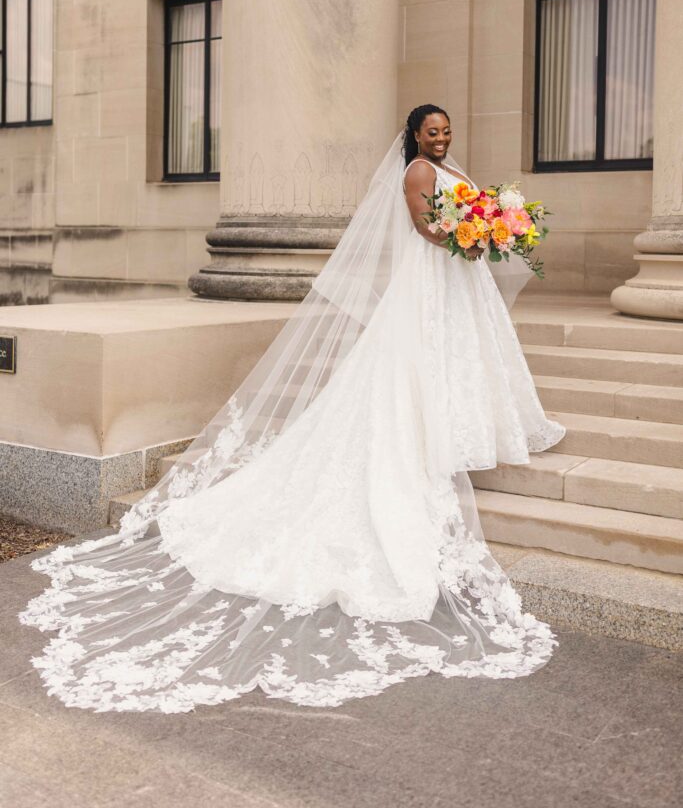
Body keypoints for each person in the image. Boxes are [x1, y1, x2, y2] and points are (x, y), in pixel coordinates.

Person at [18, 104, 566, 713]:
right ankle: (428, 434)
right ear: (414, 135)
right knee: (419, 365)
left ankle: (465, 428)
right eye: (432, 131)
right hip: (431, 282)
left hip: (455, 284)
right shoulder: (417, 173)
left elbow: (454, 224)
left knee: (458, 357)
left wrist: (488, 227)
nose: (441, 137)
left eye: (445, 130)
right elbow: (424, 231)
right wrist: (471, 234)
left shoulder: (452, 171)